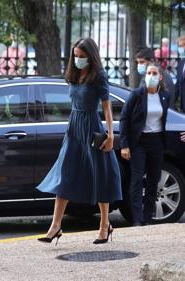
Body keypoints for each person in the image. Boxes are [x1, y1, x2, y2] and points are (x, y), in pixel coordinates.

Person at [36, 38, 122, 245]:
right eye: (76, 55)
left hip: (92, 128)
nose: (78, 59)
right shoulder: (73, 74)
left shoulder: (99, 76)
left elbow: (107, 107)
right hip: (74, 127)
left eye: (82, 57)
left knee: (100, 175)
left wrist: (111, 135)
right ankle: (55, 226)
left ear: (91, 57)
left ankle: (104, 225)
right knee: (64, 174)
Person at [120, 63, 170, 226]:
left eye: (154, 73)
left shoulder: (165, 95)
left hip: (157, 142)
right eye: (149, 73)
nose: (151, 76)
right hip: (139, 142)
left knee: (153, 181)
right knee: (136, 179)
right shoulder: (137, 94)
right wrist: (125, 144)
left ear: (160, 77)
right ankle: (137, 219)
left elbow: (168, 117)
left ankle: (148, 217)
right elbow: (124, 118)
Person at [173, 35, 185, 112]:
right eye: (179, 46)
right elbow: (178, 85)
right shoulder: (181, 62)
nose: (179, 48)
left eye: (181, 46)